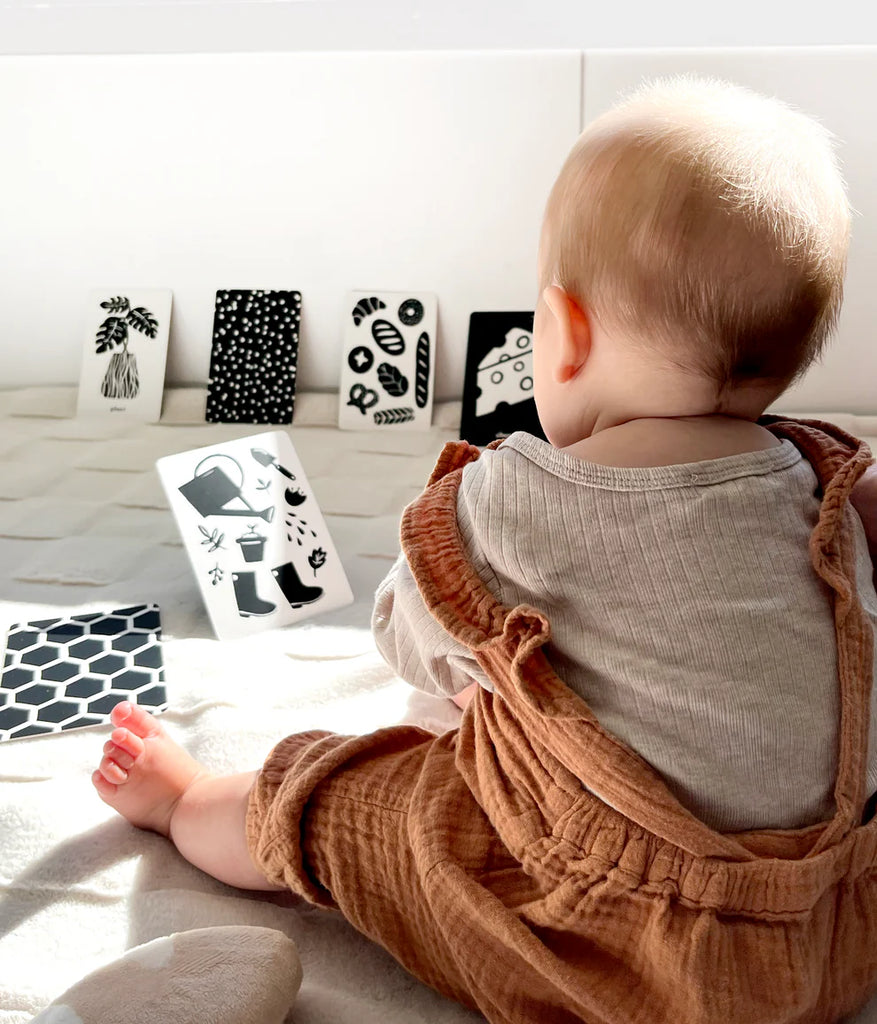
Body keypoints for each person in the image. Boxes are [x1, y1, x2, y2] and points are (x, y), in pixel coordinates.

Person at [92, 76, 877, 1023]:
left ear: (564, 335)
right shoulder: (828, 487)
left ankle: (184, 805)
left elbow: (407, 639)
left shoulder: (512, 499)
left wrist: (474, 670)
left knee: (342, 797)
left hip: (607, 936)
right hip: (825, 934)